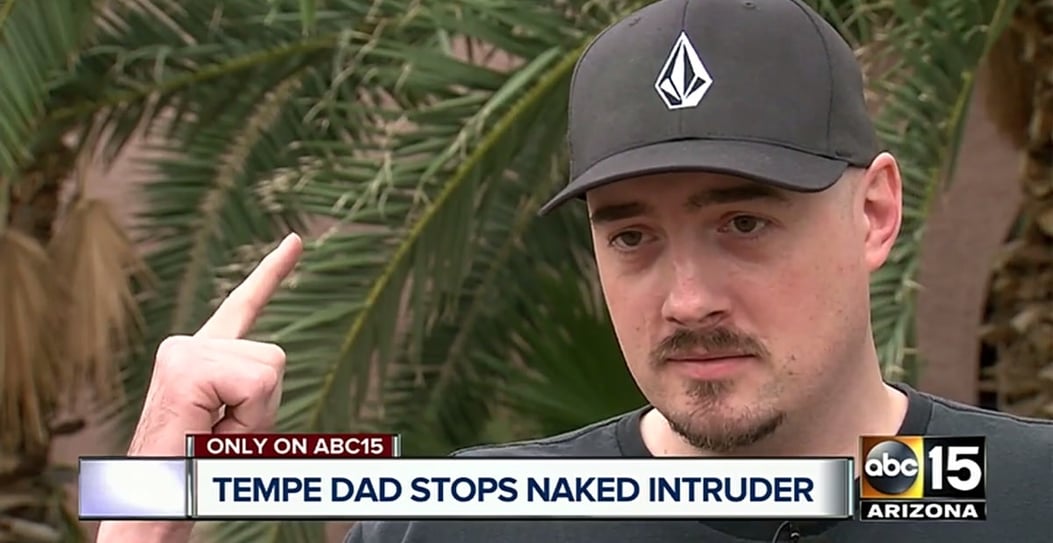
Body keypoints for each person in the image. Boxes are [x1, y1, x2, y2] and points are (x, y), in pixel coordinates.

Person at [97, 0, 1053, 542]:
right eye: (631, 236)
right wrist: (146, 513)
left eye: (743, 221)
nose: (687, 300)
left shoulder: (1021, 495)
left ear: (874, 212)